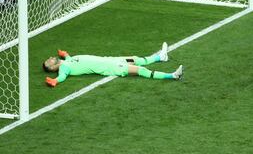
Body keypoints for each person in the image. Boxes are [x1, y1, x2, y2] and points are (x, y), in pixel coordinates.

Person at [43, 42, 183, 87]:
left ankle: (160, 57)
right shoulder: (64, 68)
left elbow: (71, 59)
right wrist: (55, 80)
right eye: (48, 61)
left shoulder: (67, 61)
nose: (50, 58)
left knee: (136, 59)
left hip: (111, 60)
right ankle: (172, 76)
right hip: (111, 67)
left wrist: (65, 54)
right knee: (140, 70)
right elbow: (62, 77)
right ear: (52, 68)